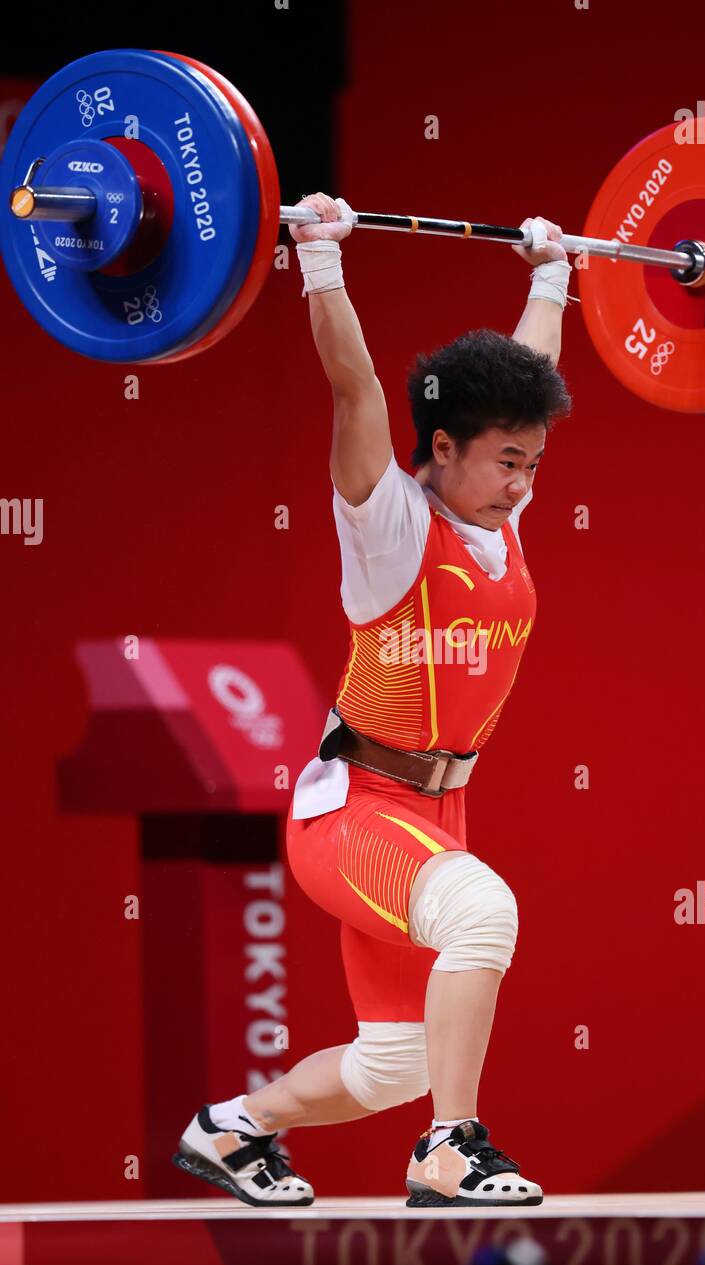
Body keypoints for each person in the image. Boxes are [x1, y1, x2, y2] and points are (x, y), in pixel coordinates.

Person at [174, 193, 573, 1208]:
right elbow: (354, 388)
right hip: (353, 811)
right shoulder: (390, 524)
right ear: (440, 448)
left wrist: (551, 273)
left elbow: (530, 375)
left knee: (394, 1061)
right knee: (483, 912)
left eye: (532, 461)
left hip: (435, 809)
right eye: (507, 462)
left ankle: (234, 1129)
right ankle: (450, 1149)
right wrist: (318, 258)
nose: (524, 482)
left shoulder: (499, 516)